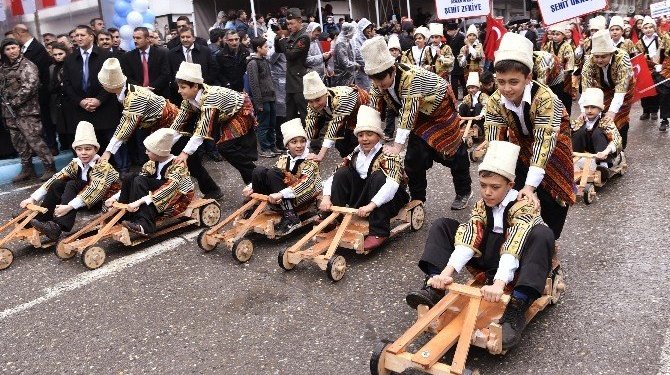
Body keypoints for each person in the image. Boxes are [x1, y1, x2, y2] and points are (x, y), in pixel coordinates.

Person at [405, 140, 555, 351]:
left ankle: (517, 308)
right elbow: (470, 235)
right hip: (489, 258)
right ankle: (433, 286)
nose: (487, 193)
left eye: (495, 187)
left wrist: (499, 284)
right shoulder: (481, 205)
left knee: (543, 234)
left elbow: (514, 243)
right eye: (483, 186)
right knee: (443, 225)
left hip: (517, 262)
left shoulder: (524, 207)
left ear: (510, 186)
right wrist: (447, 273)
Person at [361, 36, 473, 210]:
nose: (378, 85)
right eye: (374, 80)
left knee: (454, 154)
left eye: (381, 79)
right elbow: (374, 110)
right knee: (413, 159)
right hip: (418, 117)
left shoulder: (410, 77)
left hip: (439, 110)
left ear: (392, 69)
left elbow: (407, 114)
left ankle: (464, 191)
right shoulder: (378, 82)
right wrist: (368, 137)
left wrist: (397, 147)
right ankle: (418, 199)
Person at [484, 33, 575, 240]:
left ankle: (548, 244)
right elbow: (494, 142)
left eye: (514, 82)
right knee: (510, 192)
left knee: (552, 198)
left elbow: (544, 143)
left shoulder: (546, 99)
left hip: (554, 144)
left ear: (528, 78)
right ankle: (517, 238)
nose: (506, 89)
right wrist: (494, 177)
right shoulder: (493, 101)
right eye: (501, 82)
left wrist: (530, 186)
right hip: (520, 144)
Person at [319, 105, 409, 250]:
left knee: (379, 177)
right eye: (361, 135)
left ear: (378, 136)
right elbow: (335, 175)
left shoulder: (389, 155)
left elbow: (391, 185)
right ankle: (335, 217)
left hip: (389, 200)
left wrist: (371, 205)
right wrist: (326, 197)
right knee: (343, 173)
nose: (365, 139)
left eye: (369, 134)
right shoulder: (354, 154)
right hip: (363, 199)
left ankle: (379, 232)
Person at [22, 121, 120, 240]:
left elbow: (95, 190)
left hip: (105, 201)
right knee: (58, 183)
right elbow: (56, 177)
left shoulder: (102, 166)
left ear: (95, 150)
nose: (83, 153)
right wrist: (33, 198)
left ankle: (58, 226)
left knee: (72, 184)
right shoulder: (75, 163)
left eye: (88, 149)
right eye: (79, 149)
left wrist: (69, 207)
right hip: (84, 199)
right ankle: (42, 219)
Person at [170, 62, 258, 186]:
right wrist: (164, 144)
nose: (179, 91)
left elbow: (203, 130)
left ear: (195, 86)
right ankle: (253, 182)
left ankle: (257, 179)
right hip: (225, 115)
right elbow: (177, 125)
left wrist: (185, 153)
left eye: (183, 87)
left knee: (225, 147)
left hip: (241, 109)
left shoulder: (211, 97)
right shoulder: (188, 101)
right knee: (228, 150)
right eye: (179, 87)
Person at [105, 128, 194, 236]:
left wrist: (139, 202)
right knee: (130, 177)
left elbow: (170, 188)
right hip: (158, 194)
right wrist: (114, 198)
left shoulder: (178, 165)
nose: (146, 152)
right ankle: (124, 214)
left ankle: (146, 225)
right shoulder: (151, 163)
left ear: (159, 152)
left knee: (139, 180)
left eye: (149, 150)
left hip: (176, 197)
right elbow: (136, 181)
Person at [243, 118, 322, 234]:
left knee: (273, 173)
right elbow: (271, 173)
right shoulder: (284, 158)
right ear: (287, 145)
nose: (299, 145)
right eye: (294, 142)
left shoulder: (310, 161)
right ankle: (256, 207)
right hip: (281, 197)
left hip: (304, 197)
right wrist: (251, 187)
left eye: (302, 141)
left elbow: (305, 184)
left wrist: (281, 194)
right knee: (258, 171)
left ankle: (291, 217)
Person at [1, 38, 56, 182]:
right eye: (8, 49)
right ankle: (27, 169)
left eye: (14, 48)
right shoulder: (4, 68)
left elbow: (30, 87)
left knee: (35, 140)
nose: (12, 51)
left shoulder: (27, 65)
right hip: (10, 113)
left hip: (27, 112)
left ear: (19, 48)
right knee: (18, 142)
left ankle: (50, 168)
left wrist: (14, 102)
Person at [62, 25, 119, 153]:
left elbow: (112, 81)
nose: (79, 38)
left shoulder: (105, 56)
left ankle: (123, 169)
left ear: (91, 37)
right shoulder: (70, 59)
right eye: (76, 35)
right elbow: (67, 84)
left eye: (82, 35)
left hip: (105, 105)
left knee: (112, 143)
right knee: (88, 143)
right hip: (81, 108)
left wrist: (99, 100)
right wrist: (80, 101)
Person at [581, 30, 635, 149]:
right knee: (599, 115)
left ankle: (620, 149)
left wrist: (612, 112)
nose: (599, 60)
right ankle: (603, 148)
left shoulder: (622, 57)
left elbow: (621, 89)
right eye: (597, 57)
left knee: (619, 118)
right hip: (603, 89)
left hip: (624, 90)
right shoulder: (590, 60)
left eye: (603, 56)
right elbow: (586, 89)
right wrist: (583, 110)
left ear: (611, 53)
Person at [302, 71, 370, 161]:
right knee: (341, 145)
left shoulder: (341, 99)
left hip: (363, 110)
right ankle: (349, 164)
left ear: (325, 94)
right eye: (310, 101)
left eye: (318, 100)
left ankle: (361, 164)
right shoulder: (312, 104)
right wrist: (303, 152)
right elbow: (310, 125)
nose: (314, 105)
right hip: (343, 117)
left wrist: (320, 156)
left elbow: (334, 127)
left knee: (358, 142)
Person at [12, 24, 57, 155]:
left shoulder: (37, 49)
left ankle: (51, 146)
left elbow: (38, 73)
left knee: (44, 120)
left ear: (18, 34)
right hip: (30, 95)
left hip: (39, 92)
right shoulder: (25, 48)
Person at [572, 88, 622, 179]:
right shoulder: (580, 120)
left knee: (598, 132)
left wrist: (605, 152)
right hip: (585, 151)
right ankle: (574, 162)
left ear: (600, 108)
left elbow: (616, 139)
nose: (589, 110)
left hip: (602, 152)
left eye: (593, 107)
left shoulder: (606, 121)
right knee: (579, 132)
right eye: (587, 107)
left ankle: (603, 166)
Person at [274, 8, 310, 124]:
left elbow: (290, 55)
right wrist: (278, 37)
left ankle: (310, 140)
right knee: (290, 115)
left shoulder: (303, 37)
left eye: (292, 23)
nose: (289, 26)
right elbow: (278, 49)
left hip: (299, 81)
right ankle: (292, 139)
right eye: (288, 24)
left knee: (305, 113)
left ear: (299, 21)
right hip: (290, 80)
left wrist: (283, 39)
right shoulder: (292, 36)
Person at [247, 37, 279, 158]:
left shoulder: (264, 61)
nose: (267, 49)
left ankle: (271, 146)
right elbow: (254, 85)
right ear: (258, 48)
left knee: (272, 123)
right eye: (265, 47)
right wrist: (258, 103)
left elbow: (269, 79)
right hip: (262, 99)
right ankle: (264, 148)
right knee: (263, 124)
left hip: (271, 97)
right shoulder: (252, 63)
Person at [168, 28, 218, 104]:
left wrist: (202, 85)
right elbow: (170, 73)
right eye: (182, 37)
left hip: (203, 92)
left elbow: (213, 69)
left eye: (188, 37)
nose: (185, 39)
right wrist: (181, 87)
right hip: (181, 95)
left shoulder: (205, 51)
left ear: (194, 38)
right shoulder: (172, 54)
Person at [121, 27, 170, 99]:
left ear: (147, 39)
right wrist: (141, 90)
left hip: (159, 95)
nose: (135, 40)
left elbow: (165, 74)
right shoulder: (128, 56)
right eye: (134, 38)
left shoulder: (161, 53)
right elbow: (127, 77)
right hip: (137, 97)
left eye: (138, 38)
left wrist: (150, 89)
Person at [542, 22, 576, 115]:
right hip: (551, 76)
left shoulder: (567, 46)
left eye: (557, 34)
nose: (555, 36)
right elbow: (544, 56)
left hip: (564, 78)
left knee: (564, 99)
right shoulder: (549, 45)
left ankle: (566, 119)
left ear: (563, 35)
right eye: (553, 34)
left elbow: (569, 62)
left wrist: (562, 74)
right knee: (552, 98)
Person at [48, 43, 74, 152]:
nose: (58, 56)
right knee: (68, 134)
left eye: (60, 54)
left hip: (73, 103)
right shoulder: (54, 68)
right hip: (61, 103)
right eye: (55, 54)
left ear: (66, 53)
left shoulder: (72, 65)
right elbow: (53, 87)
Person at [636, 16, 661, 121]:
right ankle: (645, 110)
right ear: (642, 29)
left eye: (650, 27)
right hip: (644, 68)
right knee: (644, 91)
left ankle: (654, 111)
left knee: (655, 90)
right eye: (645, 28)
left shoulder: (659, 40)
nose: (648, 29)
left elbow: (663, 53)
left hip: (656, 68)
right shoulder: (639, 42)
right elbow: (637, 55)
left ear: (654, 28)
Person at [352, 18, 375, 90]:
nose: (369, 30)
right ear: (362, 28)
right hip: (362, 72)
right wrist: (369, 67)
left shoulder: (366, 38)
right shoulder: (356, 39)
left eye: (370, 28)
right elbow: (358, 56)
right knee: (364, 93)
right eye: (367, 28)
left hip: (369, 71)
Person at [332, 22, 357, 86]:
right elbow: (344, 62)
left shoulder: (346, 40)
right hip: (342, 75)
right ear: (348, 32)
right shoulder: (341, 42)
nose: (353, 34)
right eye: (352, 32)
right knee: (344, 94)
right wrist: (355, 65)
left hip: (347, 73)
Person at [446, 22, 466, 99]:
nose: (448, 32)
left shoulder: (460, 37)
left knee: (455, 80)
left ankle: (456, 97)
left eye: (449, 31)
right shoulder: (452, 37)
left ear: (454, 30)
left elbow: (462, 50)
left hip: (458, 61)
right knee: (461, 79)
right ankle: (462, 95)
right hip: (454, 61)